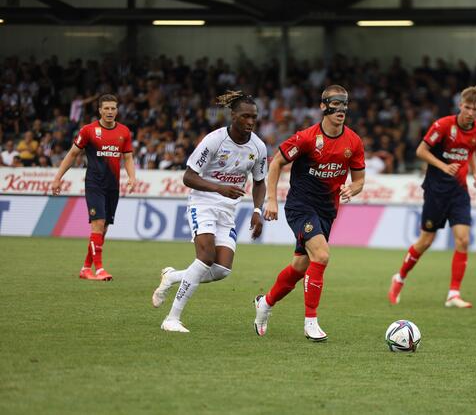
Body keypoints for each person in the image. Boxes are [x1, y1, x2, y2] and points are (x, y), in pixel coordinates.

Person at [253, 84, 365, 341]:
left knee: (300, 267)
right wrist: (271, 200)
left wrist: (352, 189)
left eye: (345, 104)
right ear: (323, 106)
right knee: (322, 256)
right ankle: (310, 322)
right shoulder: (306, 138)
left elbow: (359, 180)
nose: (341, 110)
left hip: (327, 211)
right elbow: (277, 162)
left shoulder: (354, 142)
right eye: (335, 104)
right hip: (301, 207)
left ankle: (265, 303)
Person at [153, 91, 267, 333]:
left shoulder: (258, 147)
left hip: (228, 210)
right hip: (203, 203)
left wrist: (257, 210)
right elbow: (188, 176)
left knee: (221, 269)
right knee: (205, 257)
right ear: (233, 115)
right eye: (245, 116)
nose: (250, 122)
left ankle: (173, 277)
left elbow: (259, 181)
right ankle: (171, 318)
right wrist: (219, 188)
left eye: (254, 117)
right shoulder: (214, 140)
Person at [387, 86, 476, 308]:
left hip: (459, 192)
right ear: (460, 105)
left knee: (463, 239)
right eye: (467, 107)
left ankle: (453, 294)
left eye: (475, 109)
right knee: (426, 241)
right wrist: (444, 166)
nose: (470, 112)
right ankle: (400, 277)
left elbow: (470, 153)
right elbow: (421, 151)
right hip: (436, 191)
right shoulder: (443, 126)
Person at [52, 94, 136, 281]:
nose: (110, 112)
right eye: (106, 108)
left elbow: (128, 157)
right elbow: (73, 154)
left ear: (117, 110)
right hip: (94, 184)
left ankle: (85, 268)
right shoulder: (88, 130)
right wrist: (57, 178)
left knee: (103, 229)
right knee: (97, 224)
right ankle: (99, 270)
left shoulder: (124, 131)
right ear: (99, 110)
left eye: (113, 108)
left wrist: (132, 177)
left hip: (113, 186)